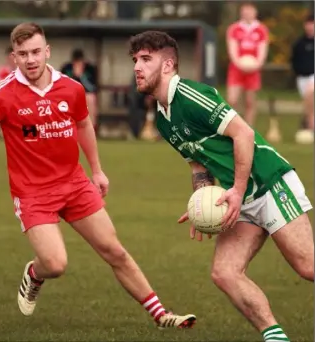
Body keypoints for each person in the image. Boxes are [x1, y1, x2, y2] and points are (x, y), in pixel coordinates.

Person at [0, 22, 196, 329]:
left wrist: (97, 171)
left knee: (114, 250)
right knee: (56, 265)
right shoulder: (1, 95)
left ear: (47, 51)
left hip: (74, 184)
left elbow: (84, 127)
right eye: (23, 54)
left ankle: (161, 315)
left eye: (35, 52)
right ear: (13, 58)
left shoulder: (71, 88)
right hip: (32, 192)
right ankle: (35, 274)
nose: (30, 59)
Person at [128, 30, 314, 342]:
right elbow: (197, 160)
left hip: (269, 183)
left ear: (168, 64)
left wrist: (238, 191)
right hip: (236, 196)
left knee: (308, 267)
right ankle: (276, 338)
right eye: (135, 60)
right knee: (225, 272)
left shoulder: (190, 95)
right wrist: (201, 199)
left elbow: (243, 134)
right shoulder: (162, 117)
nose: (137, 66)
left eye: (146, 59)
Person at [226, 2, 269, 126]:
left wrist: (256, 65)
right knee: (232, 100)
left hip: (253, 70)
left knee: (250, 102)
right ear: (241, 12)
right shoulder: (234, 29)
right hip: (236, 68)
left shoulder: (261, 29)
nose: (247, 13)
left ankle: (249, 129)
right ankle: (232, 128)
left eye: (250, 11)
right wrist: (240, 64)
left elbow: (262, 51)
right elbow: (232, 49)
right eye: (244, 11)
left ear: (255, 12)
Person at [60, 49, 99, 132]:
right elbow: (63, 85)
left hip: (85, 95)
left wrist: (81, 76)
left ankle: (91, 129)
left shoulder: (90, 69)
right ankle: (66, 128)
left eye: (80, 62)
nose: (77, 64)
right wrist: (74, 75)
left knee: (91, 98)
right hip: (70, 95)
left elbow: (92, 88)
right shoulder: (67, 68)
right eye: (75, 62)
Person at [291, 14, 314, 131]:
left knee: (310, 93)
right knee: (309, 103)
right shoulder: (299, 43)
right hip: (302, 77)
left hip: (313, 77)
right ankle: (308, 125)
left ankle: (310, 125)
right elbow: (294, 60)